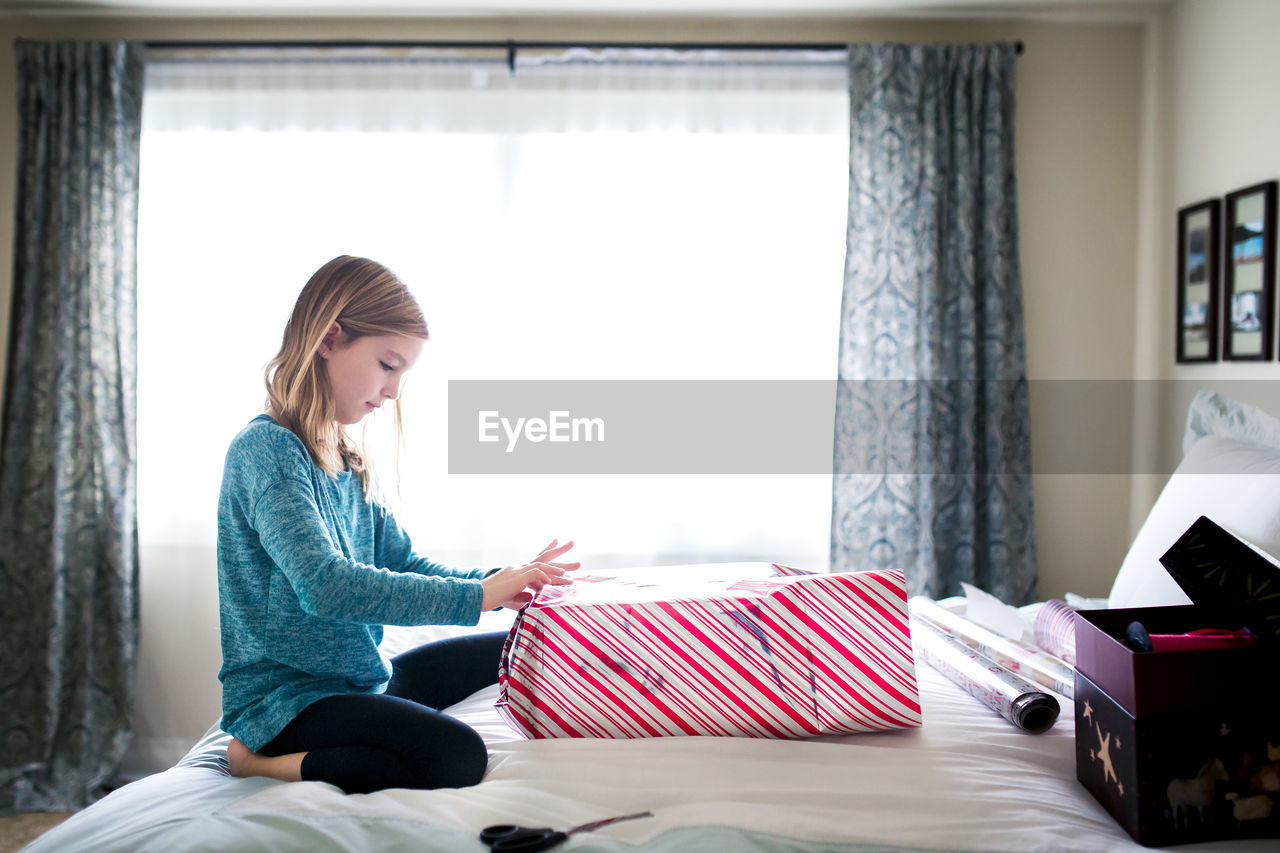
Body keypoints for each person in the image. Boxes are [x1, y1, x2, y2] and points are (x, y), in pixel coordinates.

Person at [217, 255, 577, 795]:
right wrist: (477, 595)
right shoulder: (266, 451)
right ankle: (257, 764)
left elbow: (404, 564)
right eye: (388, 365)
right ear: (328, 337)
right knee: (456, 756)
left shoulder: (342, 456)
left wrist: (500, 582)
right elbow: (326, 587)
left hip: (359, 680)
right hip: (288, 703)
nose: (392, 392)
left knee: (520, 647)